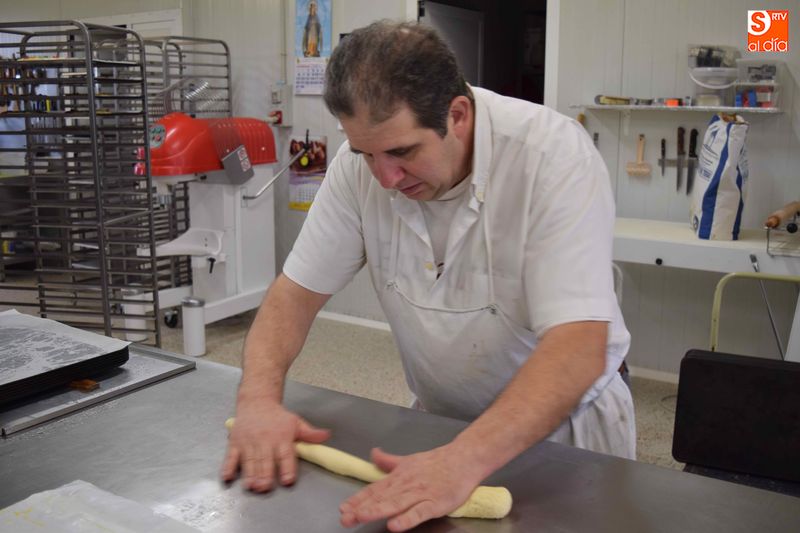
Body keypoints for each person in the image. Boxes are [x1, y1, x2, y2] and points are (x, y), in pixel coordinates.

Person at [221, 20, 635, 532]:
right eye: (366, 154)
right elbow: (294, 295)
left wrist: (464, 460)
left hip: (567, 433)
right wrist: (258, 401)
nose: (384, 178)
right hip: (439, 426)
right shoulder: (360, 168)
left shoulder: (550, 157)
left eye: (402, 152)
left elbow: (578, 346)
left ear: (457, 115)